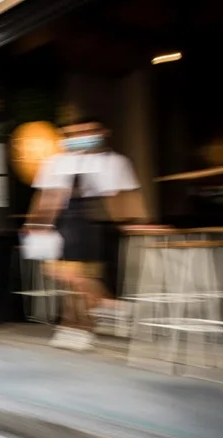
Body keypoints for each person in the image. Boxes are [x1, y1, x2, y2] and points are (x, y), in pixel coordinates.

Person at [24, 117, 151, 351]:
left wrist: (136, 222)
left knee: (78, 277)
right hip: (65, 223)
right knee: (67, 276)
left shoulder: (113, 162)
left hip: (97, 224)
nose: (78, 137)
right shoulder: (56, 162)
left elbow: (124, 197)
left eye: (85, 131)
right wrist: (37, 224)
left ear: (101, 132)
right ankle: (96, 313)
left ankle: (82, 325)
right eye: (72, 134)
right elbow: (46, 198)